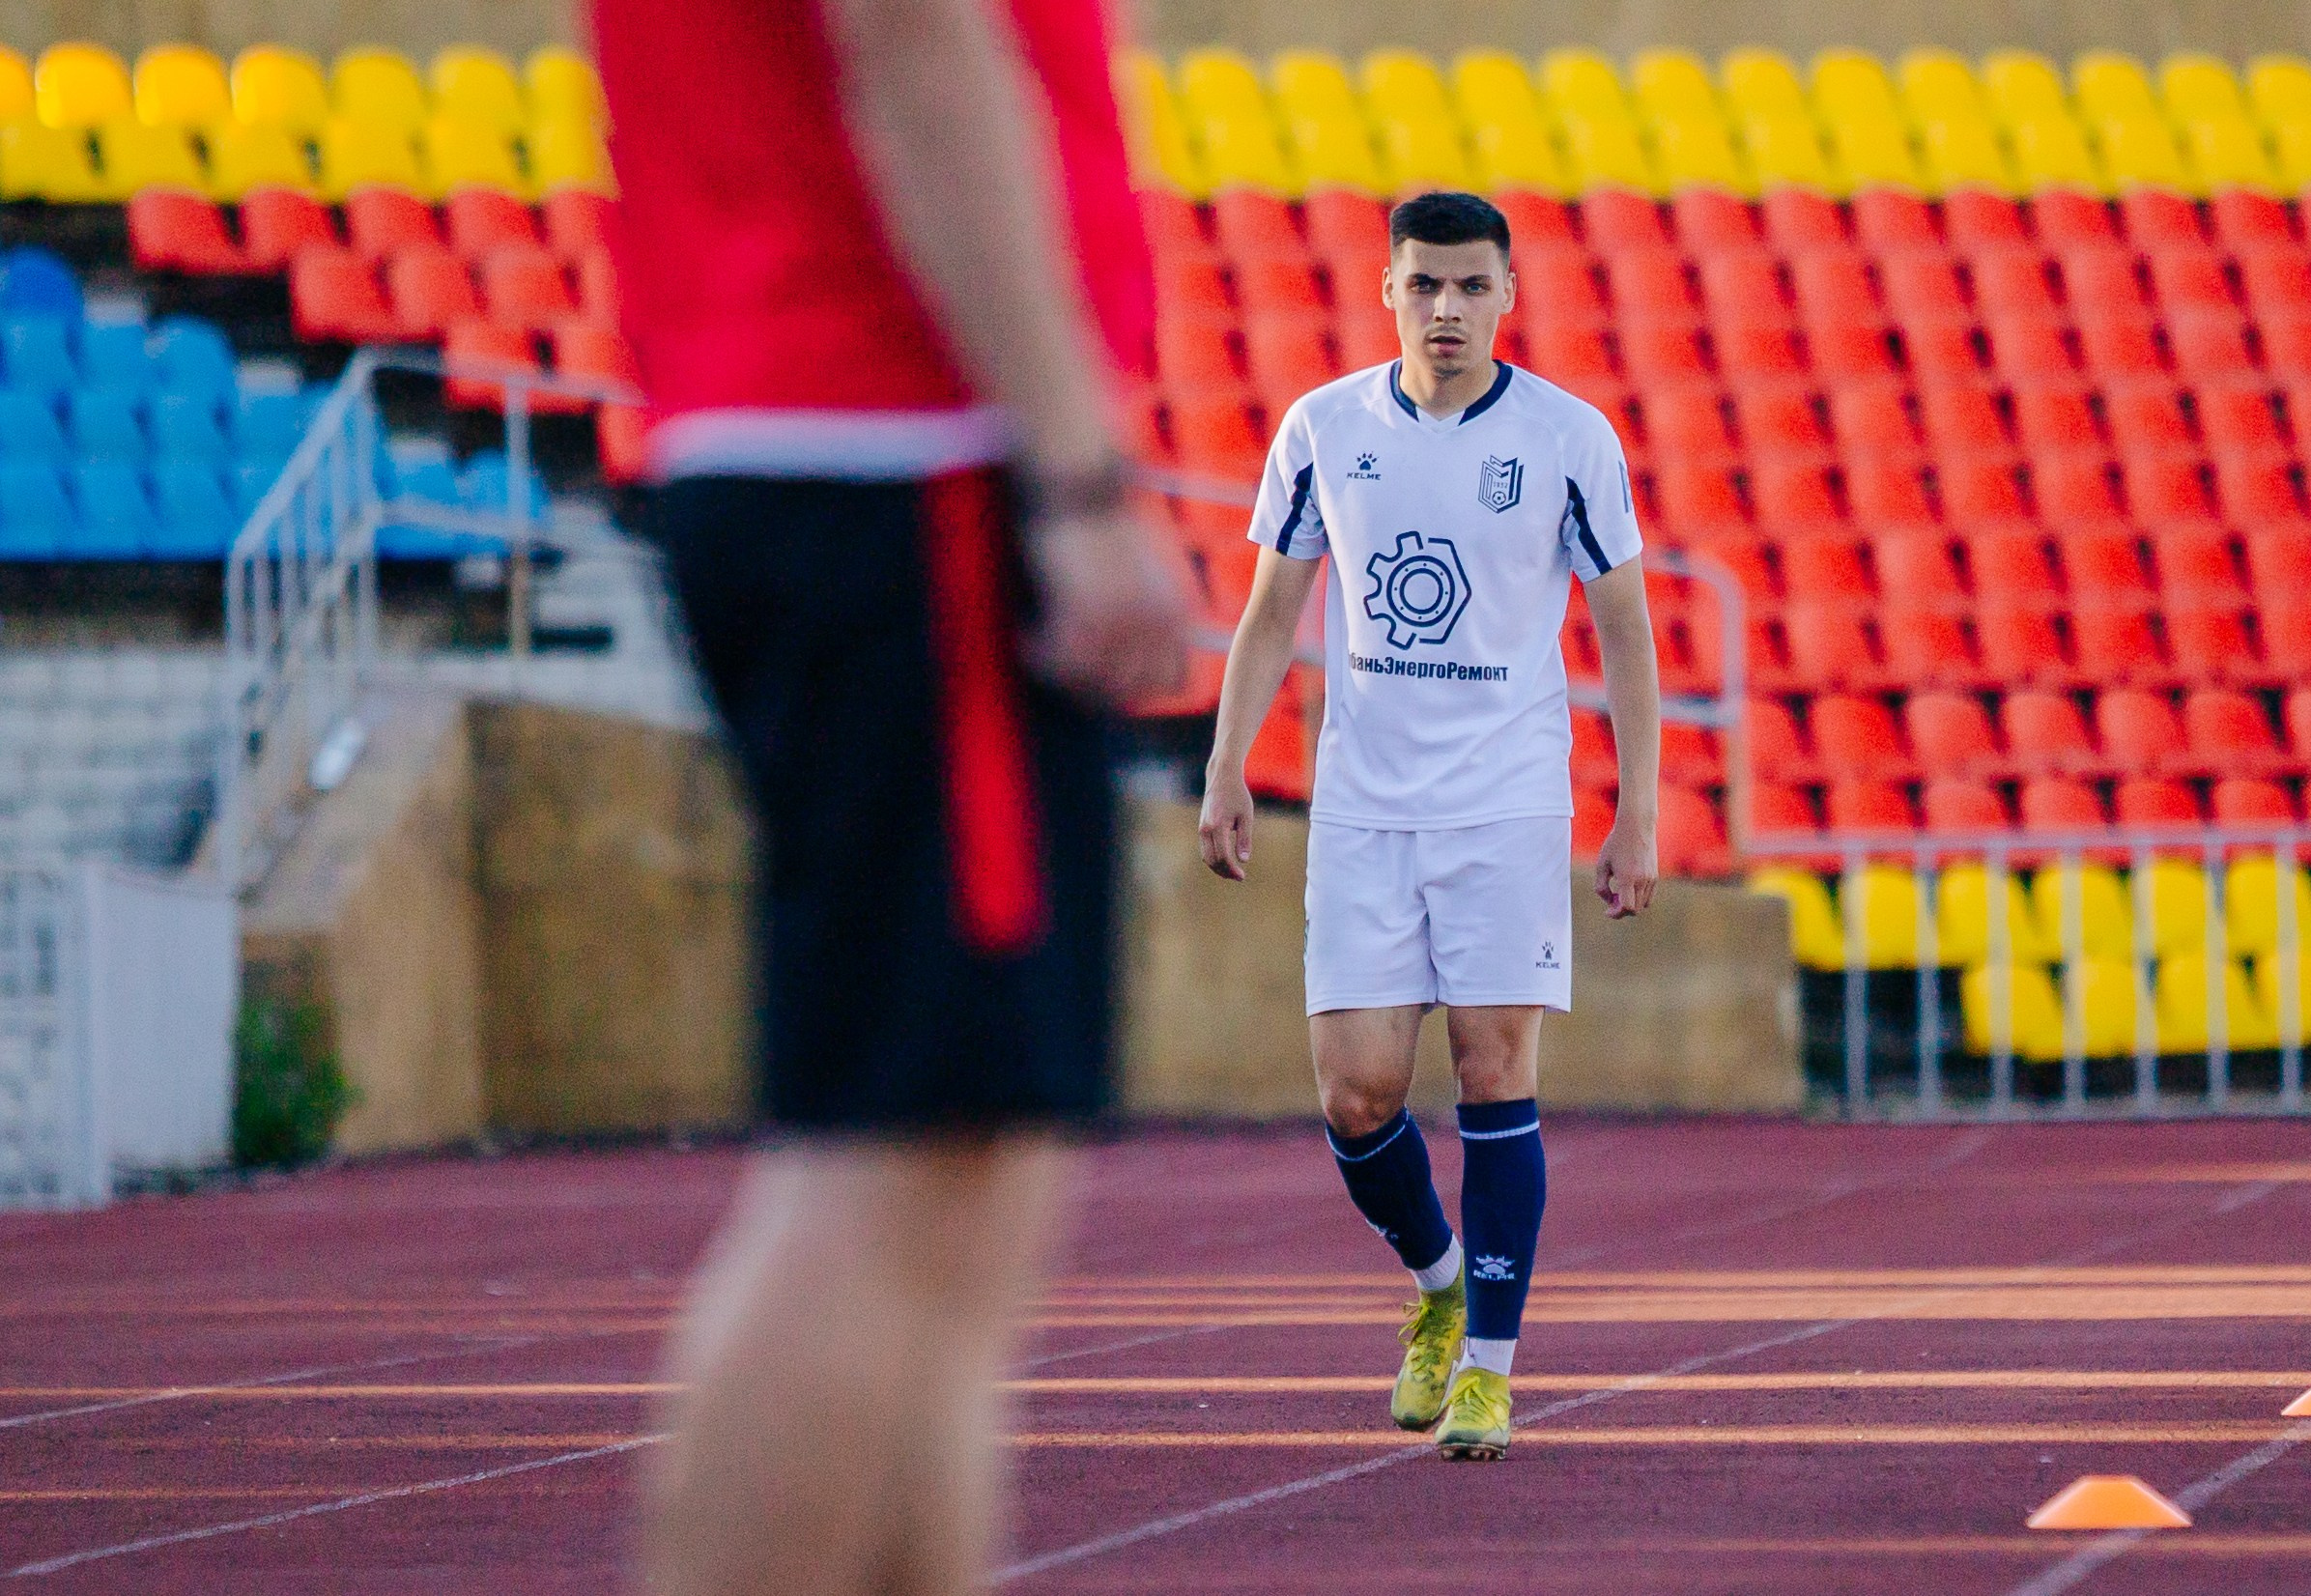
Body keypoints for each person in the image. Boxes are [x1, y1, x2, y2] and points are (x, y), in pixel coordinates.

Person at [588, 0, 1185, 1588]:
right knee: (893, 1169)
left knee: (955, 1174)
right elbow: (914, 36)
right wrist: (1076, 471)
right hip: (891, 435)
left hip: (849, 431)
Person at [1197, 190, 1661, 1462]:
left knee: (1494, 1075)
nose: (1446, 308)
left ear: (1508, 294)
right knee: (1355, 1095)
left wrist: (1636, 811)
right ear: (1387, 292)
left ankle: (1489, 1373)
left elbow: (1623, 628)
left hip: (1505, 804)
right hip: (1361, 807)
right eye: (1423, 285)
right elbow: (1269, 611)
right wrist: (1226, 766)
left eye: (1469, 286)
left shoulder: (1569, 439)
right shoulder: (1321, 428)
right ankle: (1439, 1280)